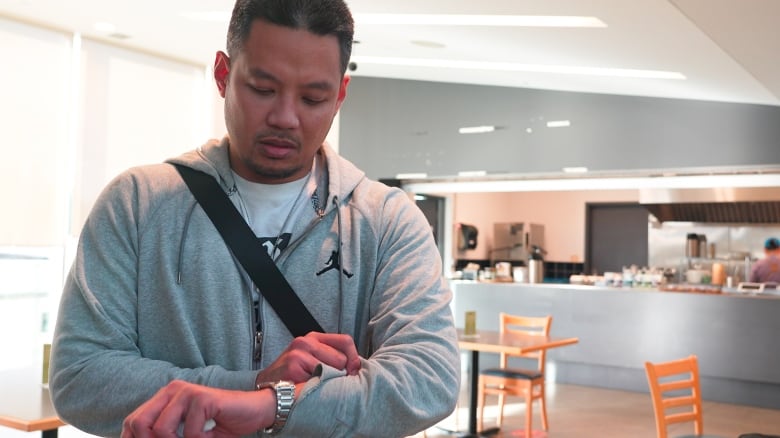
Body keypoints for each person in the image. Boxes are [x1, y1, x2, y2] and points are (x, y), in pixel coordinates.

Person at [48, 0, 460, 436]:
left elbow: (429, 377)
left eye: (313, 97)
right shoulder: (137, 204)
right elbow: (80, 376)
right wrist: (250, 386)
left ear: (339, 94)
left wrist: (272, 405)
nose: (285, 117)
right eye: (262, 89)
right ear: (223, 75)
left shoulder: (386, 221)